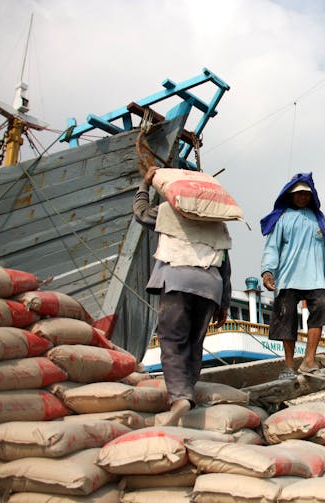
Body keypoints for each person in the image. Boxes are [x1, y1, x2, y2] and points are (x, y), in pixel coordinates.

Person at [133, 166, 231, 426]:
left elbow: (141, 213)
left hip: (177, 279)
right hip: (211, 286)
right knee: (193, 343)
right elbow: (224, 264)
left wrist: (144, 185)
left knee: (172, 340)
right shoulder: (218, 223)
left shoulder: (167, 212)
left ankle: (180, 397)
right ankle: (188, 390)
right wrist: (224, 303)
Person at [260, 173, 325, 380]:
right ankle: (289, 366)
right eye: (298, 194)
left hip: (315, 278)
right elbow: (272, 248)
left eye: (306, 194)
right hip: (288, 277)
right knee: (286, 320)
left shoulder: (319, 221)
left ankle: (309, 360)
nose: (302, 198)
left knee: (321, 311)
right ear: (291, 195)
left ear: (311, 196)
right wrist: (267, 271)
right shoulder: (283, 218)